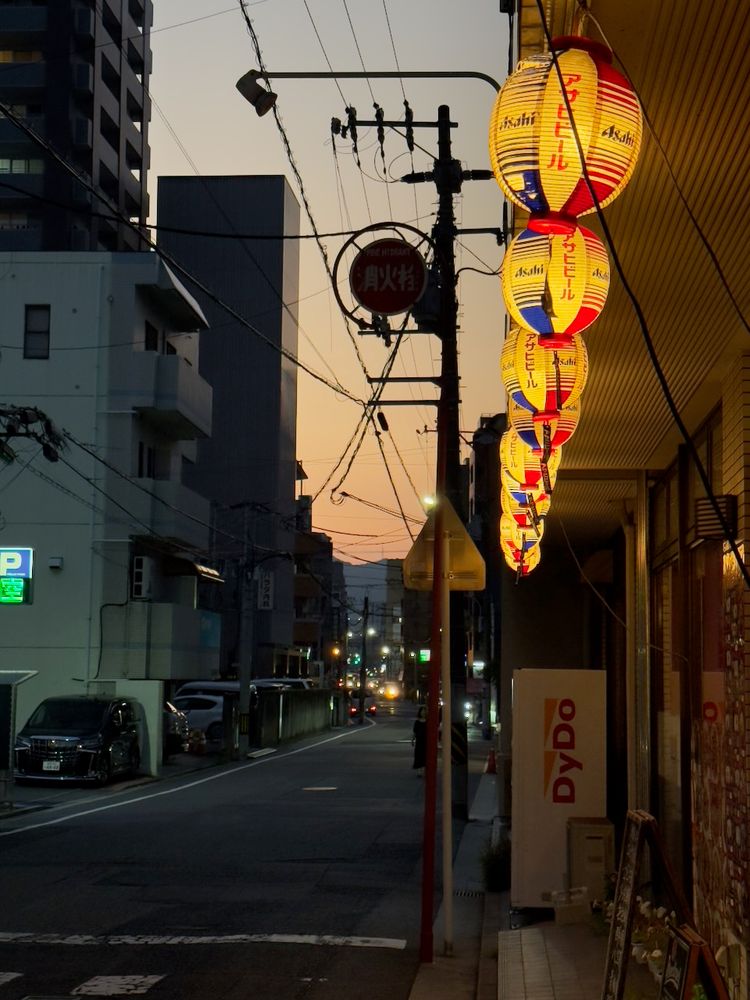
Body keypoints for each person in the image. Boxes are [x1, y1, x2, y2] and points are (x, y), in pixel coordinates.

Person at [412, 706, 427, 774]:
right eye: (422, 711)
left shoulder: (428, 721)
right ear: (420, 712)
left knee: (424, 755)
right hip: (419, 740)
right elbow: (415, 732)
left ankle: (423, 769)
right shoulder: (417, 722)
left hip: (426, 741)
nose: (423, 713)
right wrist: (413, 740)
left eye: (424, 711)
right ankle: (419, 771)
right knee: (418, 755)